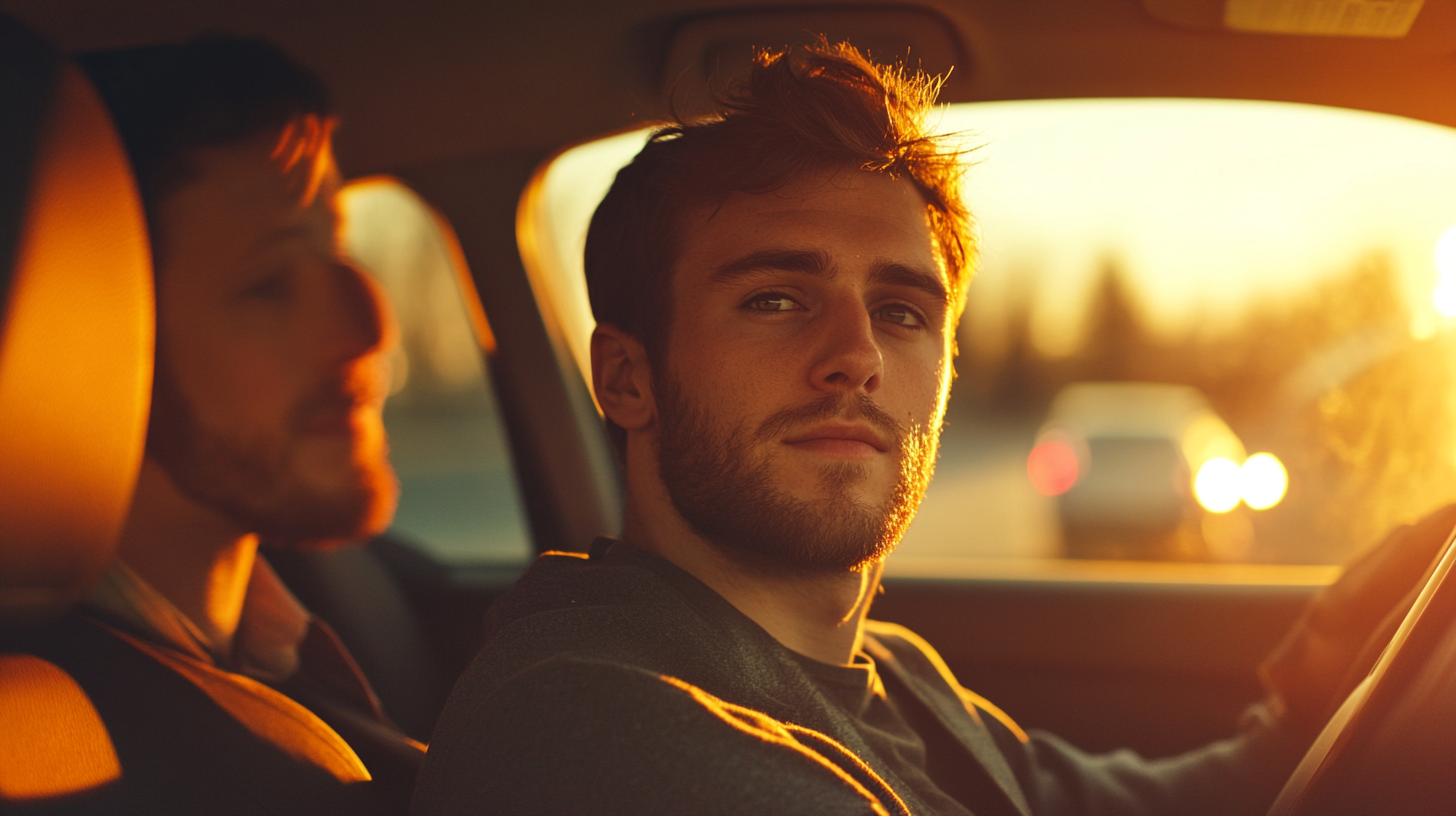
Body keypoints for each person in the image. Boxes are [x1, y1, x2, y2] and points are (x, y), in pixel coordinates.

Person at [411, 41, 1456, 815]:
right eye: (776, 298)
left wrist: (1338, 674)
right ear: (628, 378)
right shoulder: (590, 729)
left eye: (902, 311)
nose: (855, 355)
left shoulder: (894, 677)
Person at [4, 37, 421, 815]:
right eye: (267, 284)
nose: (371, 326)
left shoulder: (321, 613)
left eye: (336, 246)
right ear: (96, 339)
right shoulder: (45, 748)